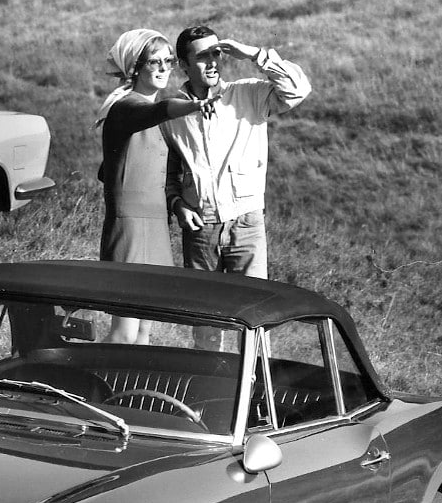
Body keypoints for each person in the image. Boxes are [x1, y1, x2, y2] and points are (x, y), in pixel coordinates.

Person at [162, 25, 312, 282]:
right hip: (201, 228)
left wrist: (254, 54)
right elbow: (167, 172)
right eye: (202, 56)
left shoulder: (248, 94)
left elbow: (297, 90)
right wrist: (177, 205)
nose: (212, 63)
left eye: (216, 53)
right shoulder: (172, 111)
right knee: (202, 305)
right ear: (184, 65)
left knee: (251, 304)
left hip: (247, 224)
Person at [95, 28, 213, 344]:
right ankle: (89, 375)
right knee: (124, 332)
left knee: (144, 330)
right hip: (130, 226)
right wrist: (194, 105)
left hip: (158, 223)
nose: (163, 68)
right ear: (135, 67)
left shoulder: (148, 110)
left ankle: (130, 380)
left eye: (168, 61)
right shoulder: (125, 106)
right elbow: (156, 111)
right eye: (154, 62)